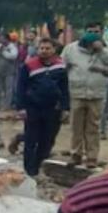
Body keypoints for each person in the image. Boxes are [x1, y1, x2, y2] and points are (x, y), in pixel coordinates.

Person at [63, 30, 108, 167]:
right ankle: (76, 154)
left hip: (97, 94)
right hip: (77, 93)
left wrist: (102, 51)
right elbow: (63, 65)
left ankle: (92, 157)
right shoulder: (71, 49)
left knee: (93, 127)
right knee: (76, 126)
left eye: (96, 31)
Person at [13, 38, 69, 177]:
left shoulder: (60, 67)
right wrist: (21, 107)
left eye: (47, 48)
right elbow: (20, 87)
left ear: (54, 50)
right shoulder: (29, 66)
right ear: (38, 50)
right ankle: (29, 171)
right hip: (33, 108)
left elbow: (64, 89)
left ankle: (37, 166)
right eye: (42, 48)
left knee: (47, 141)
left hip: (53, 109)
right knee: (31, 140)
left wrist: (66, 108)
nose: (44, 51)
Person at [0, 33, 20, 110]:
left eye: (2, 38)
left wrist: (3, 52)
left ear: (7, 39)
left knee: (8, 89)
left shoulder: (12, 47)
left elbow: (13, 56)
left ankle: (7, 106)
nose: (1, 40)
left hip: (9, 72)